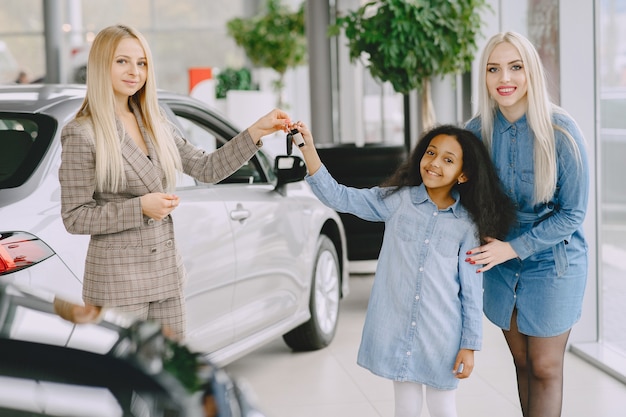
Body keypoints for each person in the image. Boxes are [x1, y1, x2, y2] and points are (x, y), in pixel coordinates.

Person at [58, 24, 290, 341]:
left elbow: (207, 168)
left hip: (166, 278)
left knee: (170, 381)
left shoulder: (155, 122)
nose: (134, 72)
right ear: (101, 65)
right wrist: (140, 207)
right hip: (116, 285)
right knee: (128, 385)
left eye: (141, 63)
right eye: (122, 61)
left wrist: (256, 132)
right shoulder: (82, 132)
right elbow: (74, 215)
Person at [293, 121, 515, 417]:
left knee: (443, 408)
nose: (434, 163)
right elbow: (339, 196)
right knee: (405, 408)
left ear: (463, 174)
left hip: (442, 336)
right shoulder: (397, 201)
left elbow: (472, 292)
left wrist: (470, 345)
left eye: (448, 160)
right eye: (431, 153)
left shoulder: (467, 226)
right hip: (398, 331)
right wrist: (306, 147)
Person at [464, 31, 589, 417]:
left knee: (545, 367)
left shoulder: (562, 132)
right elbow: (461, 197)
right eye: (494, 68)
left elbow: (573, 213)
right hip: (501, 267)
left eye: (515, 67)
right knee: (522, 364)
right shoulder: (474, 134)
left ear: (530, 71)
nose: (505, 78)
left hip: (555, 262)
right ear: (483, 77)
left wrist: (514, 247)